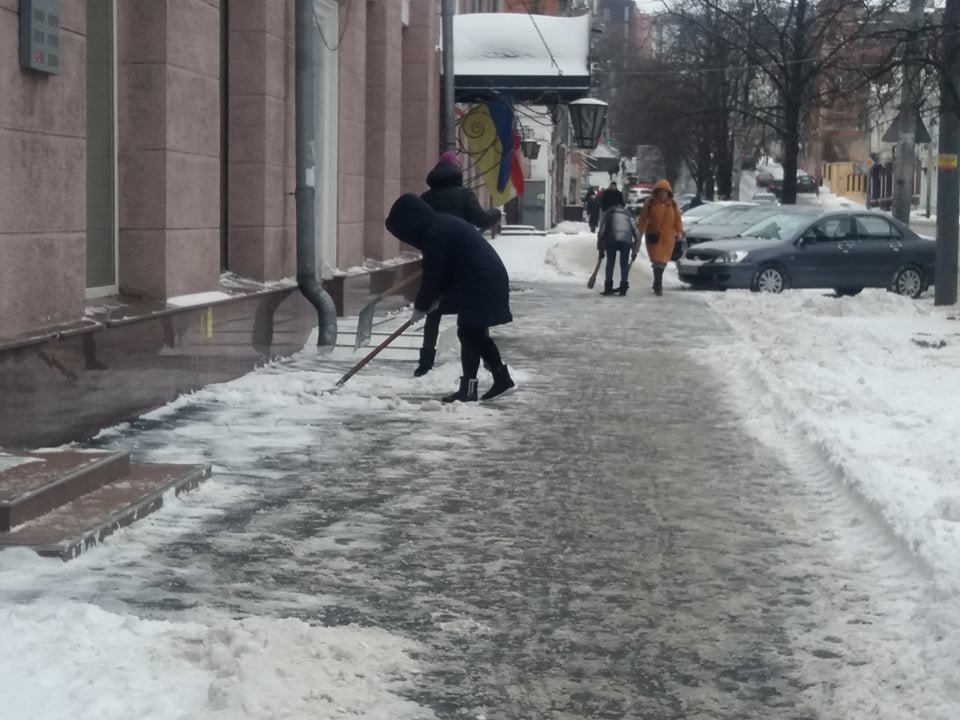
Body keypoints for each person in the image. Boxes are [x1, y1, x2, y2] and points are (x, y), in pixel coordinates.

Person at [385, 194, 515, 403]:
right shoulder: (440, 225)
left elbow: (434, 274)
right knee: (476, 333)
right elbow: (446, 269)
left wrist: (422, 305)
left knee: (469, 332)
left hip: (481, 281)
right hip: (485, 279)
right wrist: (434, 299)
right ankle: (501, 378)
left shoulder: (434, 233)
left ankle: (469, 390)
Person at [414, 151, 502, 377]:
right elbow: (481, 220)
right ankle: (487, 364)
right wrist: (495, 213)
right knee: (474, 317)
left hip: (438, 263)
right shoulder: (464, 195)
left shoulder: (425, 198)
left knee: (433, 314)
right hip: (465, 263)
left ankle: (425, 363)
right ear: (457, 172)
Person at [635, 179, 683, 297]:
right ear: (656, 192)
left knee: (662, 262)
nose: (662, 194)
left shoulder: (672, 205)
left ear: (668, 193)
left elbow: (678, 220)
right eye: (660, 192)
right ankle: (658, 284)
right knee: (657, 261)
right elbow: (642, 219)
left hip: (668, 238)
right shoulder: (650, 203)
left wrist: (679, 232)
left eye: (665, 192)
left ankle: (657, 282)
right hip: (653, 237)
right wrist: (639, 231)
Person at [596, 204, 641, 296]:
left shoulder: (607, 216)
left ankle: (608, 287)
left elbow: (601, 234)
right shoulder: (628, 217)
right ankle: (623, 288)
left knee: (610, 263)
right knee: (624, 264)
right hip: (626, 241)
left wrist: (601, 251)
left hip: (611, 240)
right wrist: (634, 252)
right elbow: (637, 235)